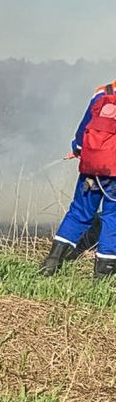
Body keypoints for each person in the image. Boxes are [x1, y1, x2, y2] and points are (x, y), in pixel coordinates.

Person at [41, 79, 116, 278]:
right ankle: (103, 275)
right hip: (114, 175)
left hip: (92, 170)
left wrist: (77, 149)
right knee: (112, 217)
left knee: (79, 212)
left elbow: (84, 129)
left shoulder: (102, 92)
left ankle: (52, 262)